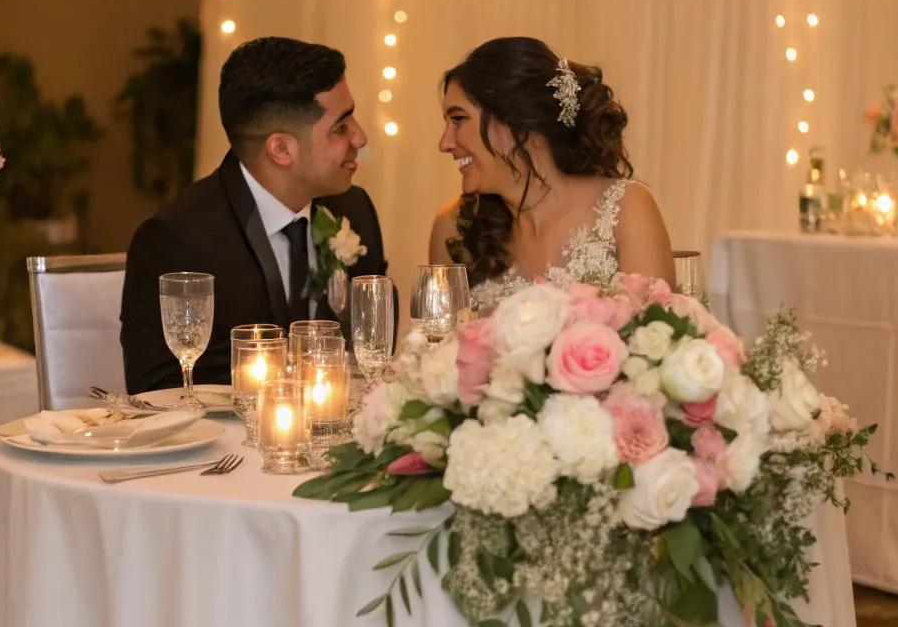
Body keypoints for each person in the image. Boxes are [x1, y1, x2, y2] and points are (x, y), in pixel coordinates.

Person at [121, 36, 389, 391]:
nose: (360, 137)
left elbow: (370, 353)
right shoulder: (177, 239)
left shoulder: (354, 211)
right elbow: (158, 392)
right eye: (340, 127)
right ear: (281, 149)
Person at [429, 36, 673, 305]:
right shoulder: (453, 229)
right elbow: (442, 343)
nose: (445, 143)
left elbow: (657, 336)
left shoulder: (624, 209)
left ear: (517, 121)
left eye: (458, 119)